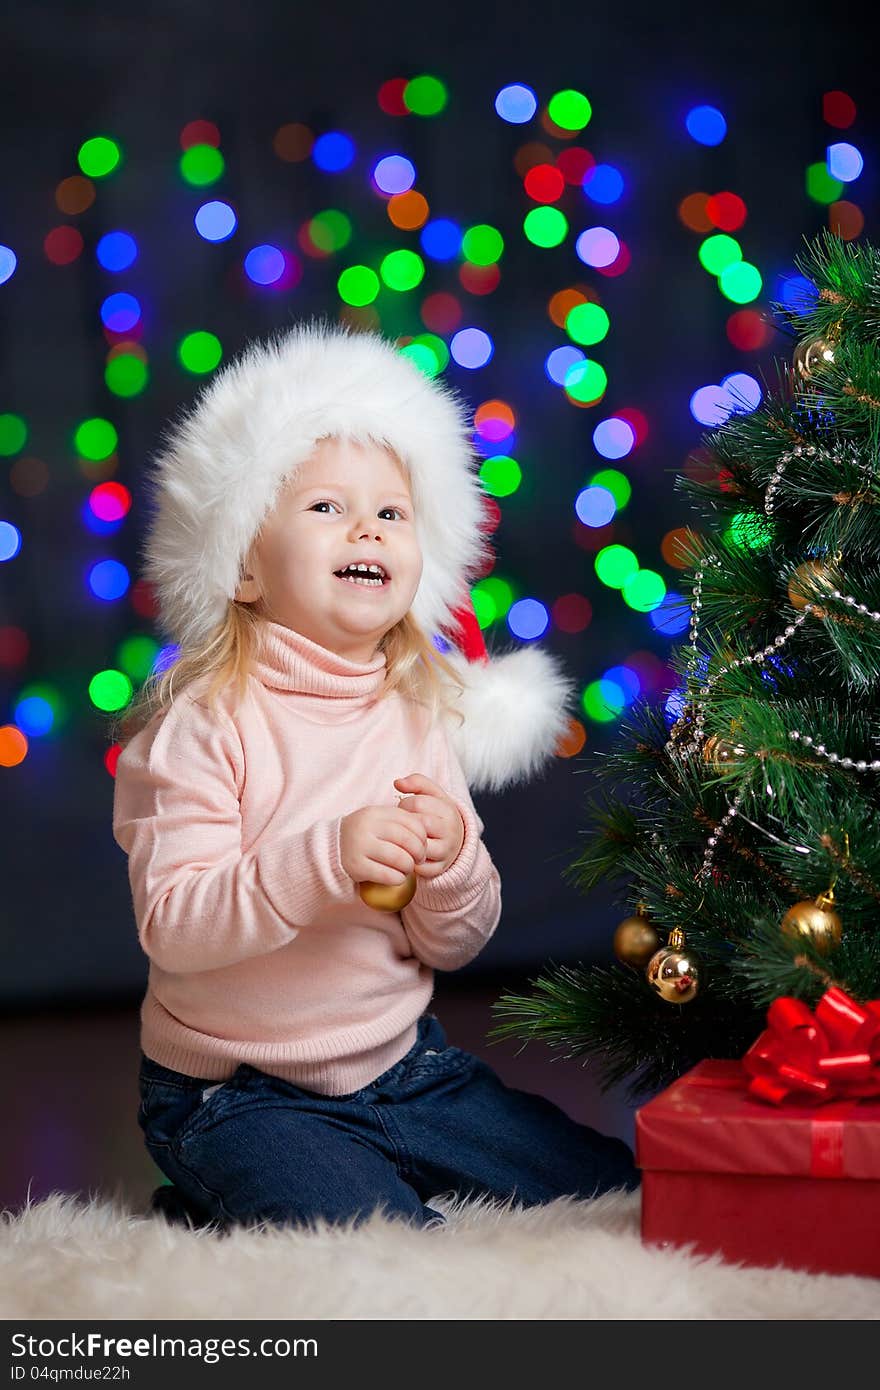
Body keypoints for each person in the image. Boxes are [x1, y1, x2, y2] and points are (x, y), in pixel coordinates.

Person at [111, 316, 640, 1235]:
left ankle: (324, 1169)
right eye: (325, 508)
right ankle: (220, 1185)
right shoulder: (202, 725)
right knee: (382, 1243)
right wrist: (325, 856)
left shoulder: (416, 711)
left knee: (606, 1188)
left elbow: (455, 943)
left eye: (392, 513)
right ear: (242, 565)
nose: (367, 527)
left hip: (408, 1069)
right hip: (239, 1090)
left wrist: (452, 871)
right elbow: (176, 925)